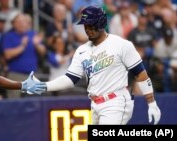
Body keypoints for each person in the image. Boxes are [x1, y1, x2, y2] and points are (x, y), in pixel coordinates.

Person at [29, 6, 161, 125]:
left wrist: (152, 103)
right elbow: (70, 79)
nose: (87, 29)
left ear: (101, 24)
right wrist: (43, 86)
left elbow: (141, 74)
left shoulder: (121, 44)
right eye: (86, 25)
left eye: (91, 25)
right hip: (95, 104)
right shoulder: (82, 50)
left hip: (116, 101)